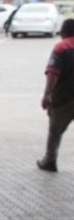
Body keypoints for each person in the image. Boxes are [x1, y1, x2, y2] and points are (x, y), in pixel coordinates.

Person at [38, 18, 74, 172]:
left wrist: (47, 94)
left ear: (64, 32)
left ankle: (50, 160)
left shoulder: (61, 47)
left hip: (64, 98)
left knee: (55, 131)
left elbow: (53, 72)